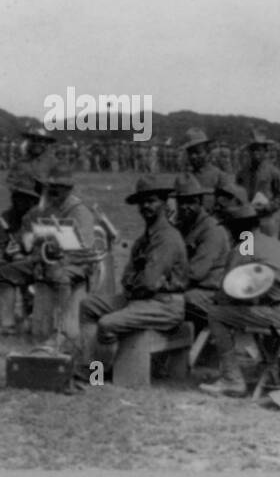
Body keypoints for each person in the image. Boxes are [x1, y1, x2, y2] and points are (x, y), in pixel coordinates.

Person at [198, 202, 280, 397]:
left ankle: (232, 380)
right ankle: (270, 368)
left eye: (230, 229)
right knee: (262, 310)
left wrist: (211, 300)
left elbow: (226, 295)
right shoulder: (274, 243)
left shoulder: (244, 247)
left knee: (216, 315)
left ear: (236, 228)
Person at [79, 177, 187, 385]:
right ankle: (90, 363)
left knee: (107, 323)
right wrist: (135, 281)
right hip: (140, 299)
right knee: (89, 305)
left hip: (164, 305)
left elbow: (148, 282)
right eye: (142, 202)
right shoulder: (145, 238)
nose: (146, 206)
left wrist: (134, 281)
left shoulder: (167, 238)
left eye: (152, 200)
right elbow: (127, 277)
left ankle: (99, 373)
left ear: (165, 203)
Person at [22, 165, 98, 349]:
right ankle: (40, 329)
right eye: (51, 186)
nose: (54, 190)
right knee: (37, 270)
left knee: (59, 275)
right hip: (52, 262)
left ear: (69, 188)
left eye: (60, 186)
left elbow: (86, 251)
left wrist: (61, 259)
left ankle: (63, 332)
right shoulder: (46, 209)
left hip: (79, 264)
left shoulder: (80, 212)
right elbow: (32, 236)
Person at [0, 173, 44, 335]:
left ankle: (30, 316)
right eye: (16, 197)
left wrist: (24, 257)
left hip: (36, 261)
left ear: (32, 200)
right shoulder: (7, 217)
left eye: (23, 198)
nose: (18, 201)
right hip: (11, 260)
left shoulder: (39, 217)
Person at [173, 174, 231, 334]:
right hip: (190, 288)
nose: (185, 207)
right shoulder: (182, 226)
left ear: (200, 202)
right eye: (181, 202)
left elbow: (195, 273)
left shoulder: (211, 229)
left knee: (171, 301)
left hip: (211, 293)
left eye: (191, 202)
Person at [235, 130, 280, 237]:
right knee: (246, 251)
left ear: (265, 151)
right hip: (246, 220)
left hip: (265, 220)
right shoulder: (242, 173)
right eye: (252, 150)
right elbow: (236, 195)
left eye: (259, 150)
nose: (255, 153)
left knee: (266, 251)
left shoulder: (273, 172)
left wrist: (269, 206)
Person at [181, 128, 229, 212]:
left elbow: (225, 209)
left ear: (207, 152)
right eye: (190, 153)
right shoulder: (185, 177)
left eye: (197, 152)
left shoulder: (219, 176)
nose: (193, 156)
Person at [9, 128, 58, 197]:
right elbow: (11, 182)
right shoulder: (19, 163)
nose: (39, 144)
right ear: (29, 142)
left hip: (46, 202)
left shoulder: (54, 163)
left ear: (47, 144)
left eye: (43, 141)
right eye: (35, 140)